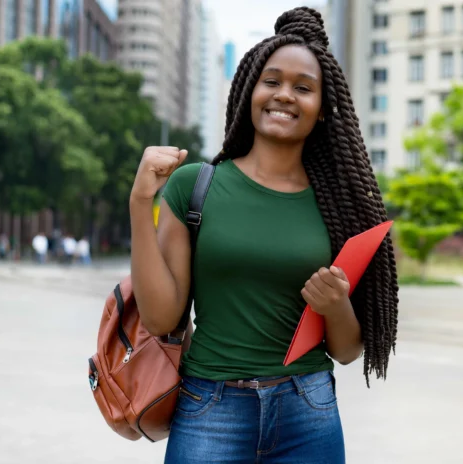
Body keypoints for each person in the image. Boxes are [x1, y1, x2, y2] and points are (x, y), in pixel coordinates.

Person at [128, 8, 398, 463]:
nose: (285, 95)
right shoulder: (194, 185)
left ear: (322, 108)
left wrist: (334, 306)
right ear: (249, 89)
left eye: (303, 87)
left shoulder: (340, 207)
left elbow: (348, 350)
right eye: (272, 81)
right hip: (208, 409)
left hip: (307, 412)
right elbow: (160, 320)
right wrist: (140, 203)